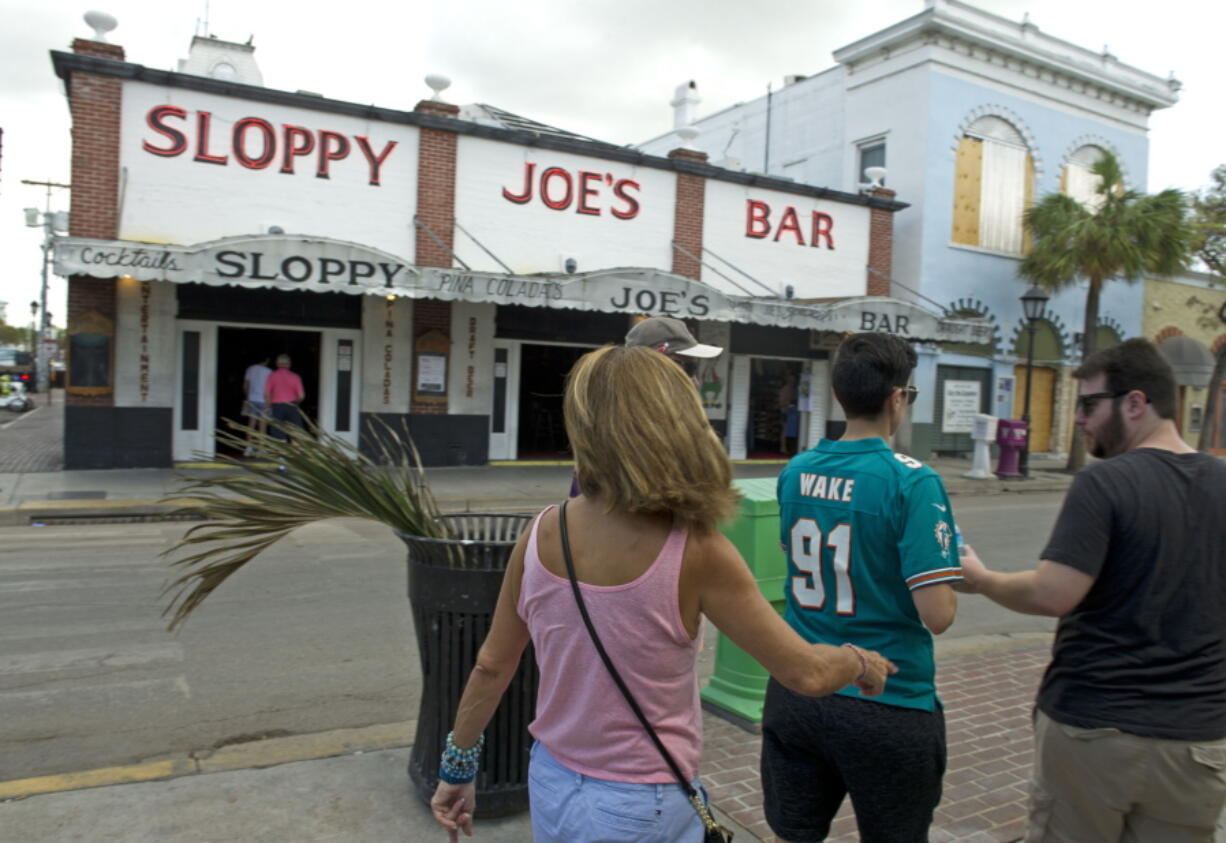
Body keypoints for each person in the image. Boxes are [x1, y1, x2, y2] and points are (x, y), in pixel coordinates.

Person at [431, 345, 896, 842]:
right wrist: (861, 663)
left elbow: (492, 665)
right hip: (640, 803)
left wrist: (457, 770)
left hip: (552, 780)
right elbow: (805, 671)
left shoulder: (542, 531)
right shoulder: (694, 550)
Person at [955, 338, 1226, 842]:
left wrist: (983, 581)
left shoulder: (1105, 482)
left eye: (1088, 405)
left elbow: (1052, 594)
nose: (1079, 419)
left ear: (1136, 403)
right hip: (1198, 742)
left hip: (1095, 731)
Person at [764, 332, 961, 842]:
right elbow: (937, 613)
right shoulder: (912, 481)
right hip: (889, 695)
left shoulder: (797, 471)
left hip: (801, 686)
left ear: (840, 395)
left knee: (796, 832)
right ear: (897, 398)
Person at [263, 354, 305, 440]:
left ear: (277, 364)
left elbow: (267, 394)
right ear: (289, 364)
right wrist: (295, 404)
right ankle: (295, 452)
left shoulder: (272, 376)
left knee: (278, 436)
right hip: (292, 407)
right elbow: (301, 396)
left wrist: (269, 407)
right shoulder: (295, 377)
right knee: (296, 436)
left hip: (277, 408)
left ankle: (281, 453)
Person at [241, 355, 272, 457]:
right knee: (262, 425)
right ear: (266, 360)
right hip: (264, 400)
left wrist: (248, 396)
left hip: (252, 399)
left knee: (251, 424)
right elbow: (270, 388)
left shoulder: (250, 369)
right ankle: (261, 449)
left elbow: (245, 385)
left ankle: (248, 447)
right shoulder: (268, 371)